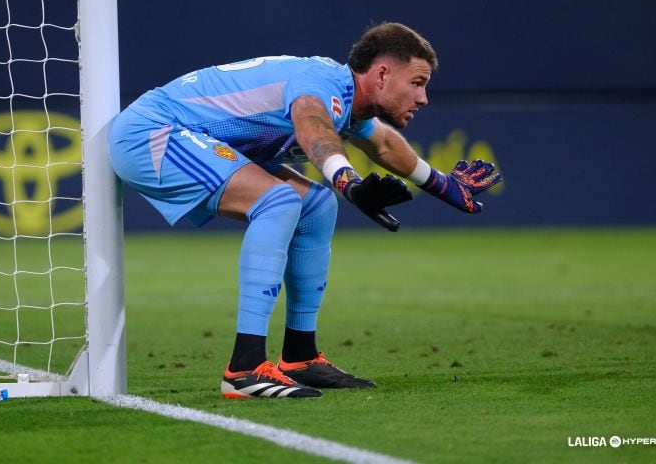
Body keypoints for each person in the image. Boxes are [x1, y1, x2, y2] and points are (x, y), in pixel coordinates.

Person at [109, 22, 502, 399]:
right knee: (278, 200)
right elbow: (313, 126)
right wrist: (349, 181)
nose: (423, 98)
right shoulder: (320, 86)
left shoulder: (349, 99)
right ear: (382, 74)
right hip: (154, 133)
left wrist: (443, 185)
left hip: (194, 134)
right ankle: (244, 369)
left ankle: (299, 357)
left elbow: (383, 145)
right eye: (417, 83)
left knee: (315, 205)